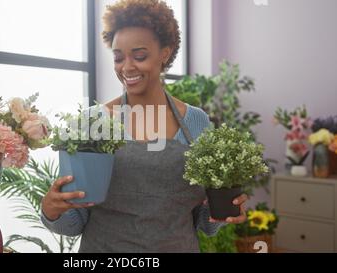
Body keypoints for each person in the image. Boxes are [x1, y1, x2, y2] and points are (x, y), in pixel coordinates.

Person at [41, 0, 247, 253]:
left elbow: (204, 222)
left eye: (139, 56)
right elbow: (73, 223)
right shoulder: (92, 121)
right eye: (118, 57)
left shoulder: (196, 122)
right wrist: (51, 210)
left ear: (165, 52)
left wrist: (224, 210)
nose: (126, 67)